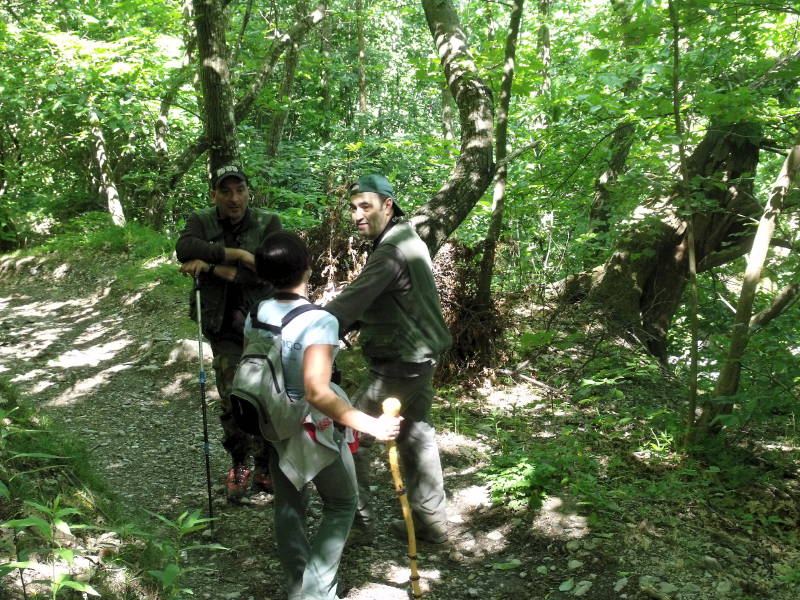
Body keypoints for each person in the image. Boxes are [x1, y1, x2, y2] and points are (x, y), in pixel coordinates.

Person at [249, 231, 401, 600]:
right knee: (342, 503)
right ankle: (316, 592)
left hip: (272, 421)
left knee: (289, 503)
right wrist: (372, 425)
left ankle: (296, 585)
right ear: (307, 267)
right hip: (311, 428)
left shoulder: (257, 312)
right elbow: (317, 392)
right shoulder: (319, 321)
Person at [325, 174, 452, 544]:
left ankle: (354, 523)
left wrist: (309, 326)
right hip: (420, 356)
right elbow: (381, 299)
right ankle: (430, 522)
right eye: (353, 208)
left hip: (401, 360)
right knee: (417, 435)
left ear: (387, 205)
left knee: (350, 431)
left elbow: (353, 301)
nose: (357, 215)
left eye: (365, 206)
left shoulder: (391, 250)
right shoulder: (406, 238)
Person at [176, 164, 281, 501]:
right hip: (221, 326)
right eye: (226, 191)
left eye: (240, 190)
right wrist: (236, 255)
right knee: (233, 399)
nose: (234, 198)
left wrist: (210, 266)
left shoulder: (268, 223)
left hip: (263, 325)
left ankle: (267, 465)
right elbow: (184, 248)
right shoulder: (201, 221)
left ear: (249, 192)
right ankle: (240, 463)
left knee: (267, 396)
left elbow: (268, 272)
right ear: (214, 195)